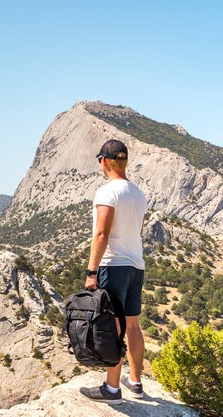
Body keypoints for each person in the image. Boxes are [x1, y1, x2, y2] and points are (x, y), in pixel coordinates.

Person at [79, 139, 148, 404]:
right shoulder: (138, 193)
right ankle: (136, 382)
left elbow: (101, 234)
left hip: (113, 266)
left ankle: (112, 388)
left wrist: (91, 271)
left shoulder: (107, 192)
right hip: (135, 265)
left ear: (104, 161)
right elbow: (137, 232)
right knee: (133, 323)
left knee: (114, 324)